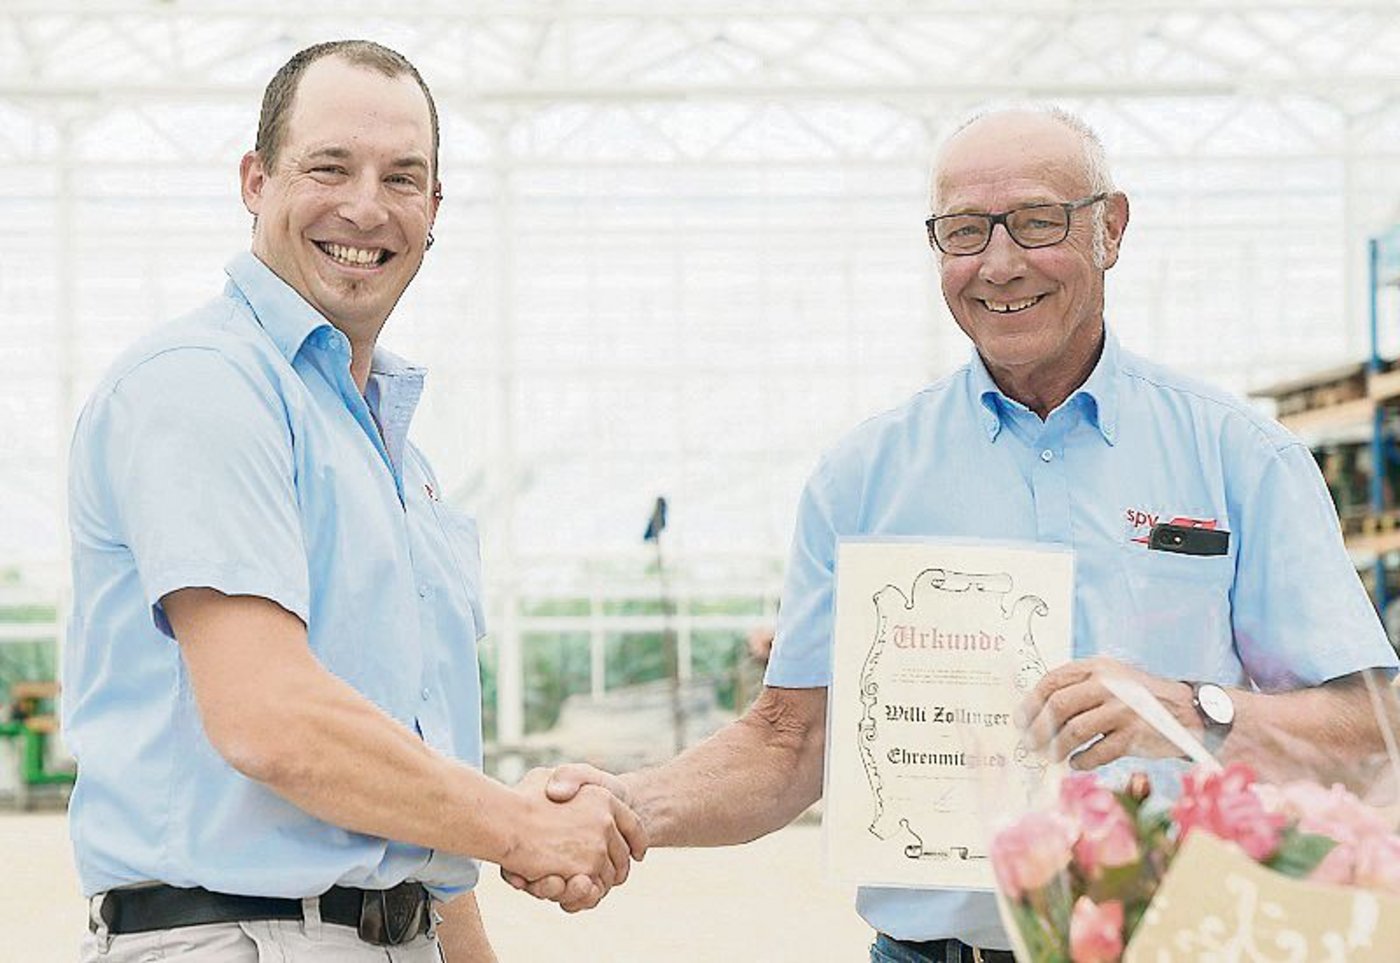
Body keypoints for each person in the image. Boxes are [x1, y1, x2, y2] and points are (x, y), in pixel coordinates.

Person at [513, 106, 1400, 961]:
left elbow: (1372, 728)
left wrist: (1192, 711)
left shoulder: (1240, 458)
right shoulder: (863, 478)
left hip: (1184, 944)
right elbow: (791, 742)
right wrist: (626, 804)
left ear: (1112, 230)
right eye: (966, 231)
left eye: (1037, 222)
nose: (1001, 263)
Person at [63, 40, 644, 962]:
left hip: (394, 931)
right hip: (234, 933)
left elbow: (421, 831)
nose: (366, 207)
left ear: (435, 208)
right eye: (329, 167)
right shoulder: (204, 384)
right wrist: (522, 826)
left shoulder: (401, 462)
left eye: (402, 177)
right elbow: (270, 717)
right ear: (255, 180)